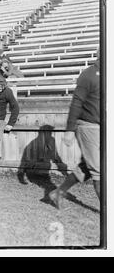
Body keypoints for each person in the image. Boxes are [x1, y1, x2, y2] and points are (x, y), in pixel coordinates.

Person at [48, 50, 101, 209]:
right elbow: (76, 103)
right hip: (88, 126)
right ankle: (108, 212)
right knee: (100, 171)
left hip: (104, 127)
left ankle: (58, 192)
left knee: (87, 166)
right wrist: (69, 130)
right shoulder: (89, 75)